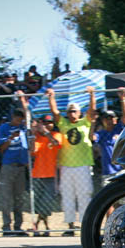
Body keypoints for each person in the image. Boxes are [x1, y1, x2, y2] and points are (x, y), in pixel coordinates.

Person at [47, 86, 97, 236]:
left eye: (74, 111)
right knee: (67, 195)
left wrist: (91, 95)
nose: (72, 114)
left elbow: (92, 110)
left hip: (83, 165)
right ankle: (70, 226)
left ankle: (85, 225)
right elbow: (55, 113)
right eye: (69, 111)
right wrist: (51, 97)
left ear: (79, 112)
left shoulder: (85, 122)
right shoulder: (64, 124)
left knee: (84, 195)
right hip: (67, 165)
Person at [0, 107, 32, 236]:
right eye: (17, 119)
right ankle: (6, 226)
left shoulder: (24, 128)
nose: (19, 122)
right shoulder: (4, 128)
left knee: (19, 198)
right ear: (13, 117)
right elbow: (1, 149)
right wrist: (11, 138)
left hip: (21, 166)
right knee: (6, 198)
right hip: (8, 166)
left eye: (21, 120)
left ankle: (18, 226)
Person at [91, 88, 125, 188]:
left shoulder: (119, 130)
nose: (109, 121)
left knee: (124, 195)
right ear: (102, 121)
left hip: (121, 170)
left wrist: (123, 98)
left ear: (115, 120)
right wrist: (93, 122)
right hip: (107, 172)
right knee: (109, 196)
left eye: (111, 118)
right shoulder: (101, 134)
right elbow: (92, 137)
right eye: (106, 119)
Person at [31, 114, 62, 236]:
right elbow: (32, 151)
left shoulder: (56, 135)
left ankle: (38, 225)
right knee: (39, 203)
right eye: (45, 123)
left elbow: (56, 144)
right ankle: (44, 226)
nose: (48, 125)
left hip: (50, 174)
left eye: (50, 123)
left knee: (47, 202)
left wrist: (46, 133)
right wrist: (33, 133)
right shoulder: (36, 137)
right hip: (37, 174)